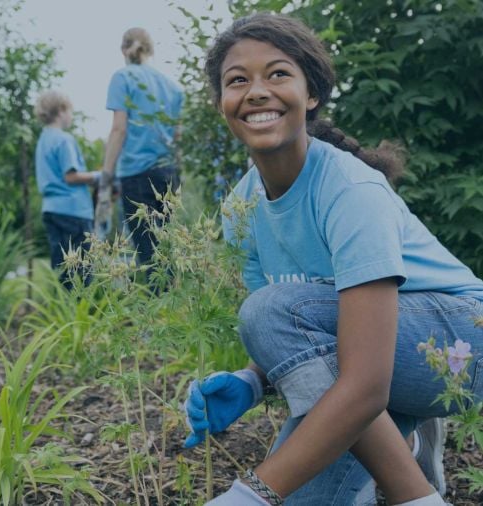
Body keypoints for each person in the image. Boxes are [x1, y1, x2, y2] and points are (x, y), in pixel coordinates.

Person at [182, 12, 483, 506]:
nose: (256, 91)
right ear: (222, 104)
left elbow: (356, 376)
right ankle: (400, 438)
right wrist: (251, 380)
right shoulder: (241, 207)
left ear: (312, 93)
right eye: (237, 81)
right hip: (373, 362)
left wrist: (249, 495)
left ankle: (417, 494)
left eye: (278, 73)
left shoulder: (350, 189)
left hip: (460, 344)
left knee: (271, 310)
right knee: (305, 495)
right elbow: (305, 340)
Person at [96, 27, 183, 267]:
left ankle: (159, 302)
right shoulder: (172, 87)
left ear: (124, 50)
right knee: (168, 248)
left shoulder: (122, 78)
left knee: (148, 253)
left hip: (136, 175)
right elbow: (177, 135)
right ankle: (174, 301)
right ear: (150, 49)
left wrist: (106, 174)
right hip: (168, 174)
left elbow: (119, 129)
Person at [34, 90, 100, 290]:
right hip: (73, 212)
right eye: (70, 111)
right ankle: (81, 318)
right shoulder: (64, 140)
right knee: (82, 273)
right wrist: (100, 177)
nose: (71, 116)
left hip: (51, 210)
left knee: (63, 270)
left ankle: (65, 316)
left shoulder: (43, 139)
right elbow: (70, 176)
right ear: (61, 110)